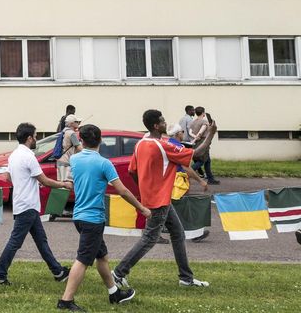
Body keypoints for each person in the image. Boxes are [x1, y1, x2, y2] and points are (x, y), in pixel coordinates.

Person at [112, 110, 217, 291]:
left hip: (157, 198)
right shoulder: (161, 145)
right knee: (150, 238)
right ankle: (119, 273)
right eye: (162, 121)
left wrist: (146, 190)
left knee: (177, 233)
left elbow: (132, 171)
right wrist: (211, 134)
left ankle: (186, 278)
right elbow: (196, 154)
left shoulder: (140, 144)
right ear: (155, 126)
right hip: (158, 201)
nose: (165, 123)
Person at [57, 124, 146, 311]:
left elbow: (71, 183)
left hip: (79, 217)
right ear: (101, 141)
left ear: (81, 140)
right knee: (82, 260)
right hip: (93, 219)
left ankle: (114, 293)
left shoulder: (75, 159)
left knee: (102, 257)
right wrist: (141, 208)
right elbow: (122, 190)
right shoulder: (104, 163)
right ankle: (65, 301)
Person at [0, 123, 72, 286]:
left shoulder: (14, 154)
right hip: (27, 205)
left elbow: (8, 177)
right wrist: (64, 184)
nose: (37, 139)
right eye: (36, 136)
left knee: (41, 240)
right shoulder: (29, 156)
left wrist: (27, 182)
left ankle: (58, 271)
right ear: (29, 138)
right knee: (15, 242)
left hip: (24, 204)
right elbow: (45, 180)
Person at [188, 108, 219, 185]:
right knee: (201, 161)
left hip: (195, 145)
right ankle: (186, 172)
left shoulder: (193, 122)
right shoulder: (204, 122)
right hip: (203, 144)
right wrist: (197, 137)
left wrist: (194, 139)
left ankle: (211, 179)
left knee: (207, 161)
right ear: (203, 113)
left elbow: (190, 132)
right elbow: (200, 133)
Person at [56, 115, 82, 182]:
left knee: (61, 184)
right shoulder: (72, 133)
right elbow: (79, 148)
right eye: (77, 122)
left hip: (60, 160)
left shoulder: (64, 131)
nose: (78, 123)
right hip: (67, 162)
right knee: (66, 185)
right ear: (71, 123)